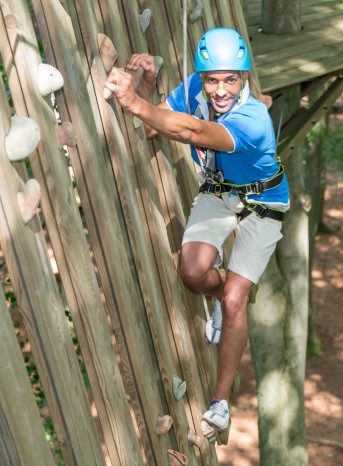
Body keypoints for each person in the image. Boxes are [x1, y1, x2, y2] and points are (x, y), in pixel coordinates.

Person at [104, 27, 289, 439]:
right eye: (212, 79)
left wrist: (133, 101)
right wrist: (146, 88)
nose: (220, 90)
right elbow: (158, 127)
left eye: (231, 79)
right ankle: (222, 290)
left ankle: (219, 405)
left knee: (238, 298)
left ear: (243, 78)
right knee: (192, 274)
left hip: (263, 203)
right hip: (218, 193)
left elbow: (191, 132)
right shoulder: (193, 92)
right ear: (202, 77)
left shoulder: (253, 118)